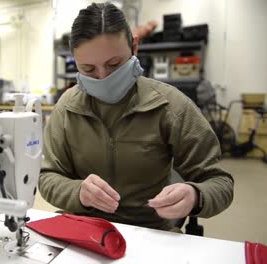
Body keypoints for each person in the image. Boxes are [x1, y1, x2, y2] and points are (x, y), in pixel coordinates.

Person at [39, 2, 234, 231]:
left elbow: (220, 182)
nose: (103, 78)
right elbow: (48, 176)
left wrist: (195, 195)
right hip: (85, 229)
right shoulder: (67, 108)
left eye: (114, 64)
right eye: (88, 69)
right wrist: (77, 192)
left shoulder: (170, 106)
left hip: (149, 231)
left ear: (135, 47)